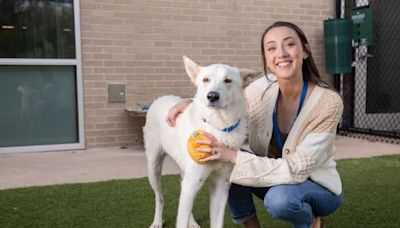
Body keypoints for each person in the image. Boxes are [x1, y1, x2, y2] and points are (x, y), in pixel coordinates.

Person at [166, 21, 343, 228]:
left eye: (289, 44)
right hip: (272, 173)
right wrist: (192, 102)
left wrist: (232, 156)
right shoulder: (259, 90)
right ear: (267, 59)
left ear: (305, 51)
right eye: (272, 48)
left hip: (315, 183)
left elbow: (297, 169)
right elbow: (226, 97)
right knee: (229, 167)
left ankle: (311, 222)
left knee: (279, 199)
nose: (281, 53)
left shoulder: (328, 102)